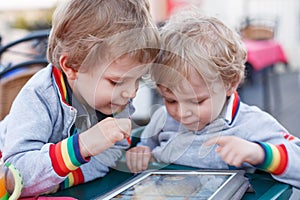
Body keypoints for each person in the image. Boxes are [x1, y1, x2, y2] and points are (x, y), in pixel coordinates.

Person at [125, 8, 300, 189]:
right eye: (170, 100)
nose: (182, 113)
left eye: (197, 101)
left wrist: (261, 154)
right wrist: (142, 152)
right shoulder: (162, 118)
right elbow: (146, 144)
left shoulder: (252, 125)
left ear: (230, 84)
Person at [0, 0, 160, 197]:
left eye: (138, 80)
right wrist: (81, 146)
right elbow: (14, 176)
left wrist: (63, 180)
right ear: (72, 67)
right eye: (116, 82)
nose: (131, 93)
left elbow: (110, 156)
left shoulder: (116, 101)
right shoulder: (38, 96)